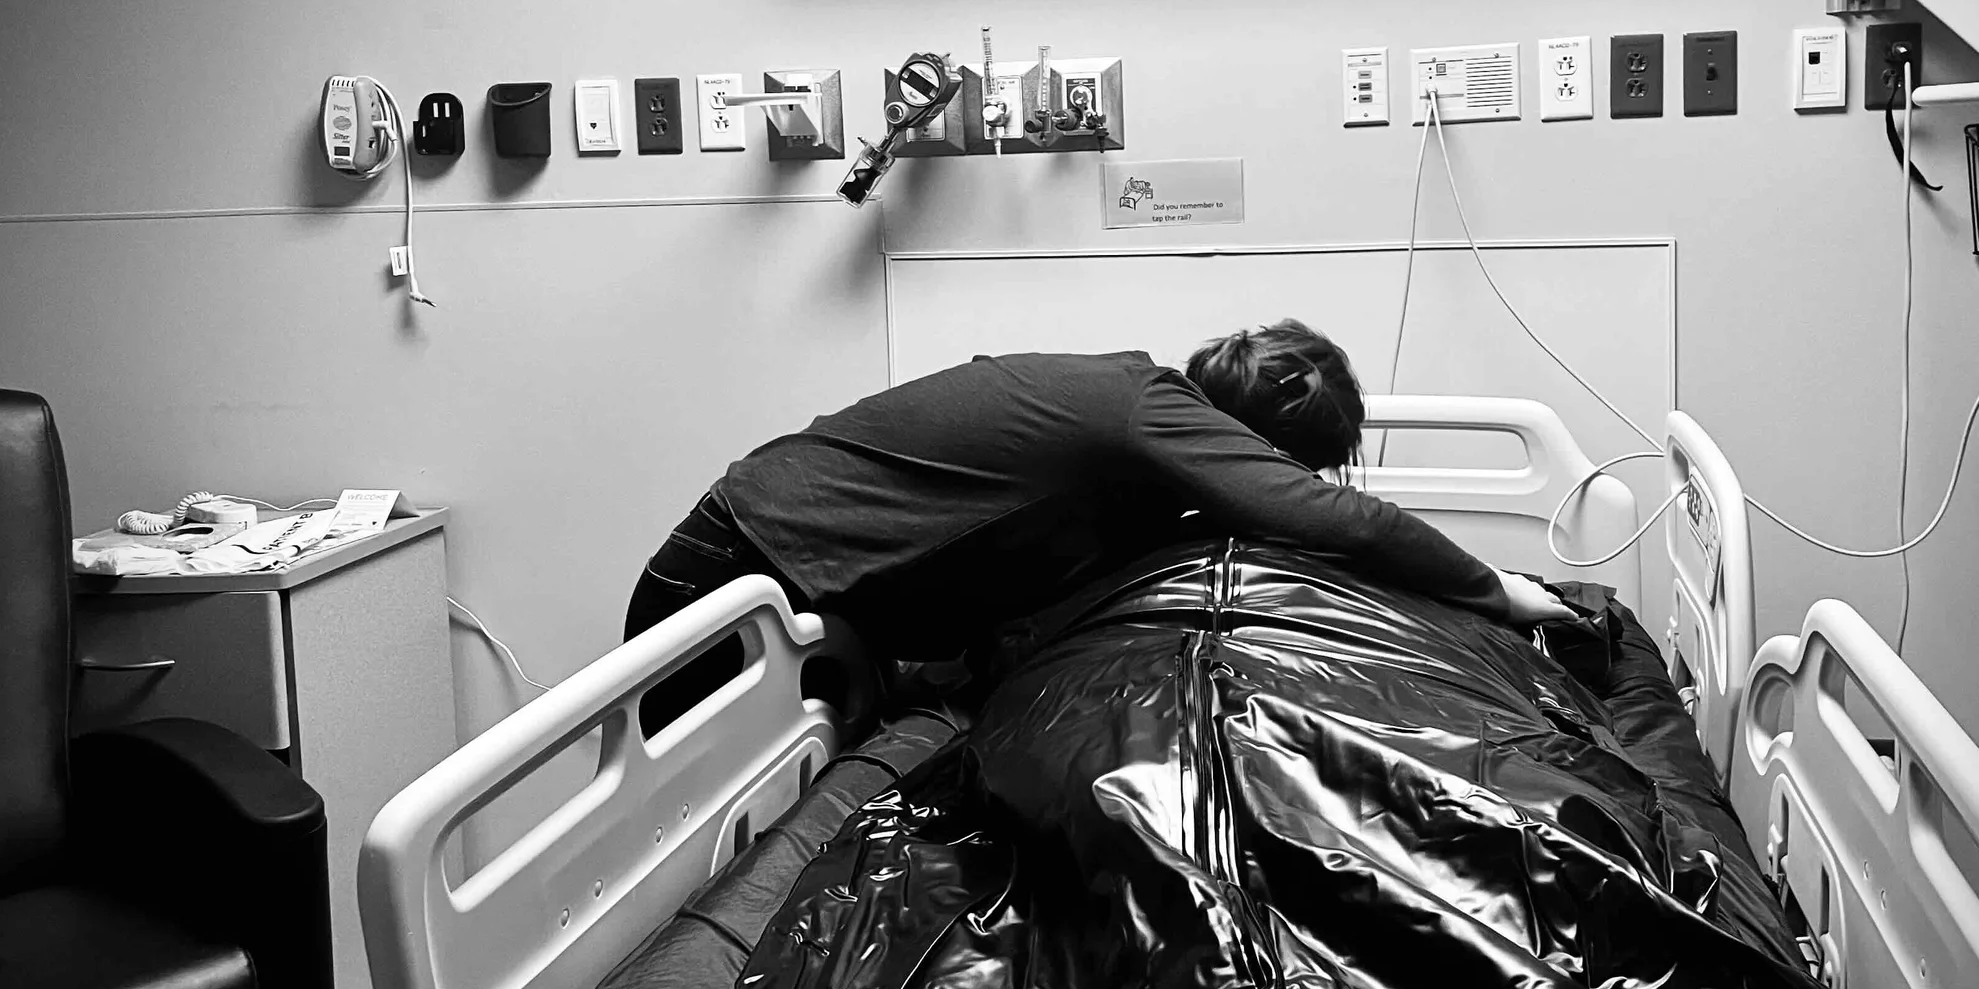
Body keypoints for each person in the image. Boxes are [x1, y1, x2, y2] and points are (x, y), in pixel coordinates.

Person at [624, 322, 1574, 671]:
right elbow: (1334, 517)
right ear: (1256, 441)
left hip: (813, 587)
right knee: (655, 875)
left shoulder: (1141, 466)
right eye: (1290, 464)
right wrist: (1497, 589)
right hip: (742, 569)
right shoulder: (1145, 410)